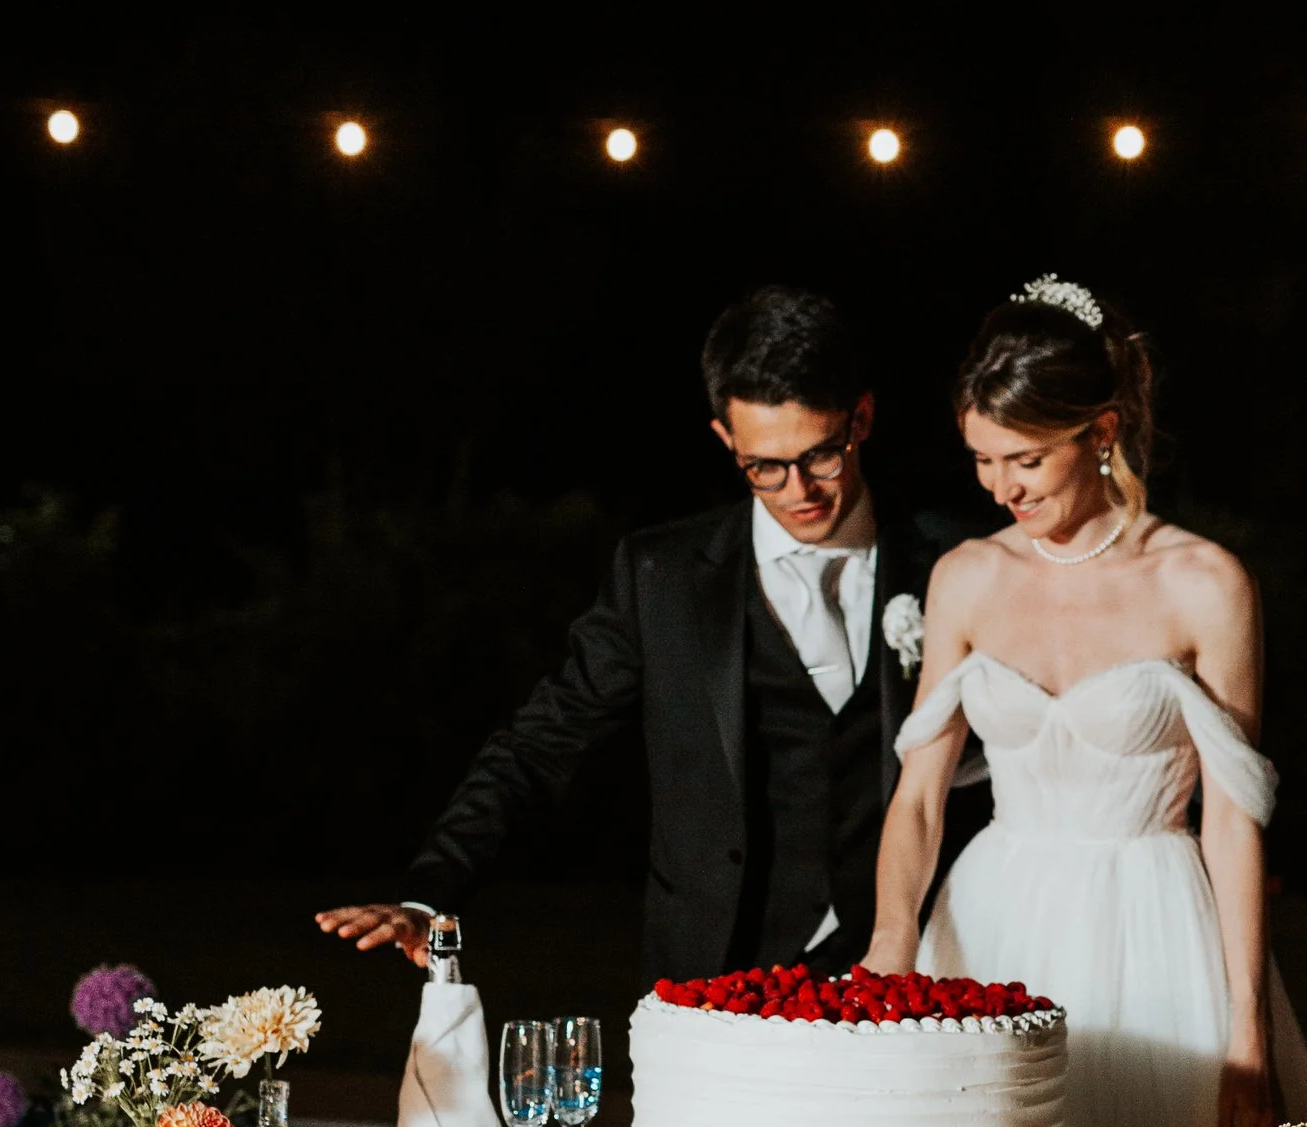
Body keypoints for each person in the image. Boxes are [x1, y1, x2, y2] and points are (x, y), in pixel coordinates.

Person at [317, 287, 951, 985]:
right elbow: (540, 746)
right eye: (764, 467)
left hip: (917, 961)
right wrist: (429, 893)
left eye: (821, 455)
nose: (798, 488)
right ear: (725, 440)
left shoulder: (952, 561)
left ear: (861, 418)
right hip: (720, 966)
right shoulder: (664, 577)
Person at [864, 275, 1307, 1127]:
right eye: (983, 460)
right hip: (988, 925)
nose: (1000, 487)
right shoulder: (967, 578)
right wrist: (889, 947)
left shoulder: (1204, 583)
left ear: (1101, 433)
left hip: (1154, 929)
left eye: (1025, 459)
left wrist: (1246, 1028)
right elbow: (917, 796)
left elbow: (1232, 822)